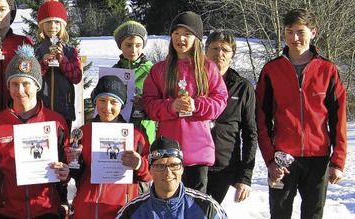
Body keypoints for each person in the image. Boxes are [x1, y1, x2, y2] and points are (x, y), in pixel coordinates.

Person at [255, 8, 347, 218]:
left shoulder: (328, 70)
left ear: (313, 32)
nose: (294, 38)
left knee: (313, 215)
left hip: (318, 158)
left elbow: (338, 118)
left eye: (300, 32)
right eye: (289, 31)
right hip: (283, 159)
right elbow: (261, 118)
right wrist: (270, 159)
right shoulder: (271, 70)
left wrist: (338, 160)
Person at [0, 44, 70, 219]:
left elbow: (67, 166)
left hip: (45, 209)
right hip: (5, 210)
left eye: (26, 83)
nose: (20, 90)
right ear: (8, 87)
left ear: (37, 85)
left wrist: (65, 173)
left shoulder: (56, 122)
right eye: (14, 84)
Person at [141, 11, 227, 193]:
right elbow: (148, 103)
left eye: (187, 34)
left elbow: (220, 101)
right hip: (167, 154)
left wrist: (196, 105)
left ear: (196, 38)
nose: (181, 39)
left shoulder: (208, 68)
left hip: (199, 153)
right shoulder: (159, 70)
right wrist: (170, 107)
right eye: (176, 33)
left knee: (195, 208)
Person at [65, 75, 152, 219]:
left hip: (120, 209)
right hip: (87, 209)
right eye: (102, 101)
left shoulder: (136, 136)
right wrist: (73, 161)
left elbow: (150, 174)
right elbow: (76, 175)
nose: (107, 107)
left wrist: (140, 164)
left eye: (113, 102)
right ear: (95, 103)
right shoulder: (84, 132)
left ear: (122, 105)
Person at [203, 30, 258, 204]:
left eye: (225, 50)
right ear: (205, 51)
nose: (219, 54)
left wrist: (245, 177)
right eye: (215, 48)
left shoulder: (243, 87)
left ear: (232, 54)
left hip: (225, 168)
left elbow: (250, 134)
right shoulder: (192, 81)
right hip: (195, 164)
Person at [116, 136, 227, 219]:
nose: (168, 172)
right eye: (160, 166)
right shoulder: (132, 211)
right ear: (151, 170)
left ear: (182, 169)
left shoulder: (206, 206)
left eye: (174, 165)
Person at [34, 0, 82, 128]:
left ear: (62, 25)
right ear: (41, 25)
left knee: (63, 144)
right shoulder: (35, 50)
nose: (52, 26)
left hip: (64, 108)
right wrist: (42, 64)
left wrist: (63, 61)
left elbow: (77, 77)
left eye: (56, 22)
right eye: (48, 22)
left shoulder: (70, 50)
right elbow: (30, 79)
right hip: (40, 109)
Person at [112, 20, 156, 144]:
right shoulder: (113, 71)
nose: (133, 50)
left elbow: (160, 102)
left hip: (145, 130)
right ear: (120, 45)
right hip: (119, 131)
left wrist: (145, 105)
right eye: (128, 45)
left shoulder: (151, 71)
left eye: (138, 45)